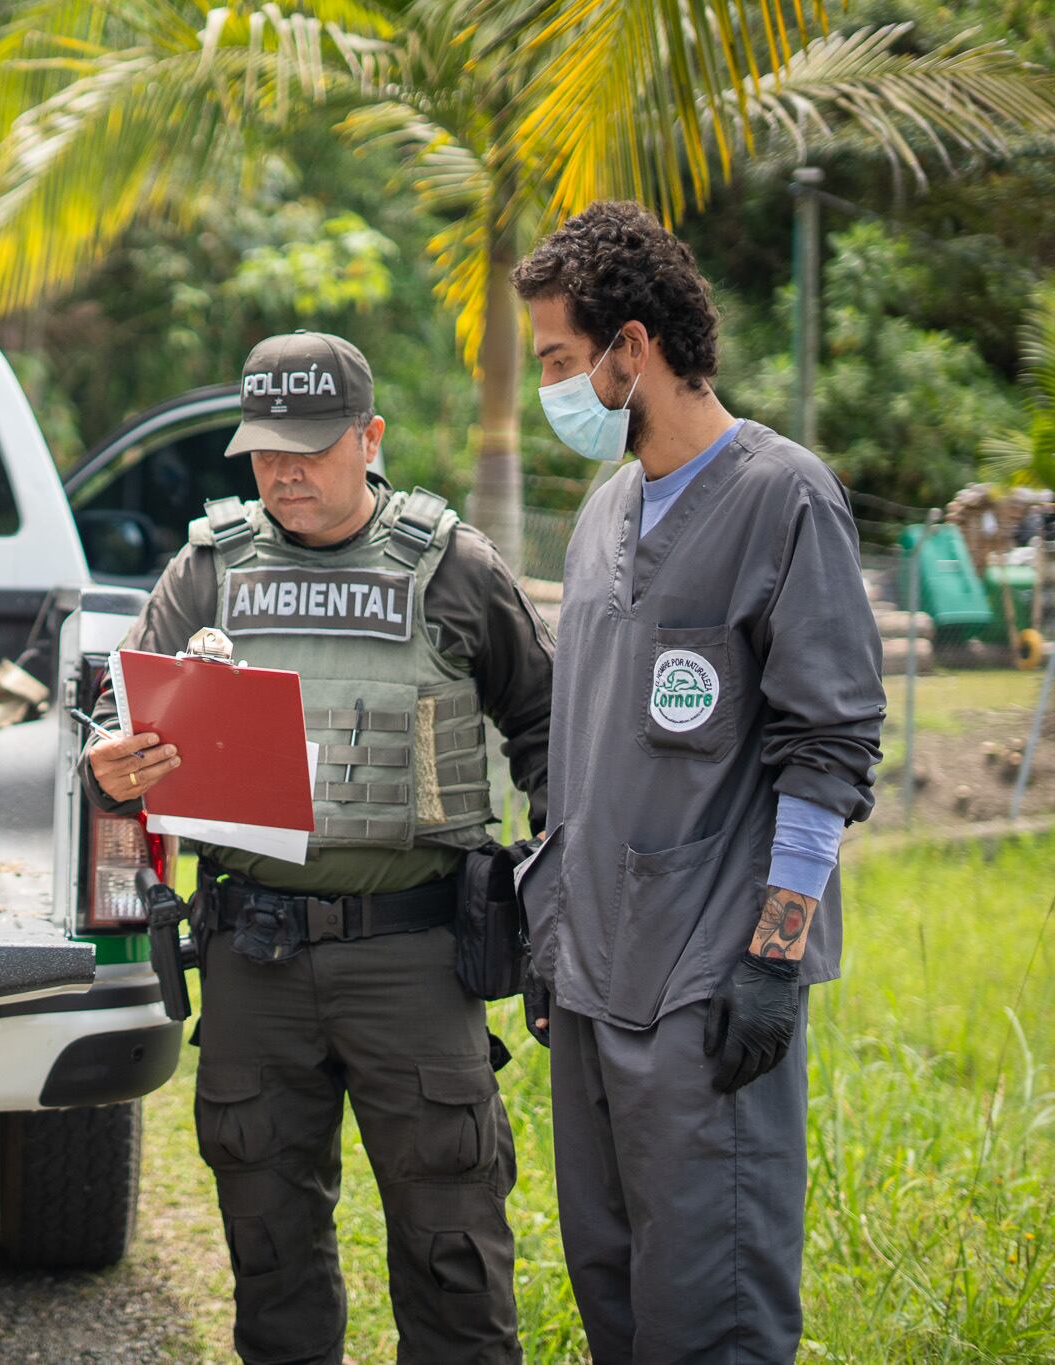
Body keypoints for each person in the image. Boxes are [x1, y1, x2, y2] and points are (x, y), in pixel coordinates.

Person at [81, 330, 553, 1364]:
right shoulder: (206, 573)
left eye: (309, 447)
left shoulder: (452, 568)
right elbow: (109, 730)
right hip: (255, 956)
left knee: (452, 1251)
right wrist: (107, 769)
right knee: (270, 1252)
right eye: (263, 451)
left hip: (415, 957)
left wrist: (559, 897)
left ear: (368, 437)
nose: (283, 472)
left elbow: (547, 728)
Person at [510, 202, 886, 1363]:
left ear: (633, 349)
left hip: (707, 987)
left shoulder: (783, 498)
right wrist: (549, 931)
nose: (550, 390)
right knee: (611, 1293)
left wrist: (772, 959)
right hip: (592, 979)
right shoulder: (602, 512)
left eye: (560, 361)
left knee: (709, 1311)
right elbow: (584, 749)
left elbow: (826, 749)